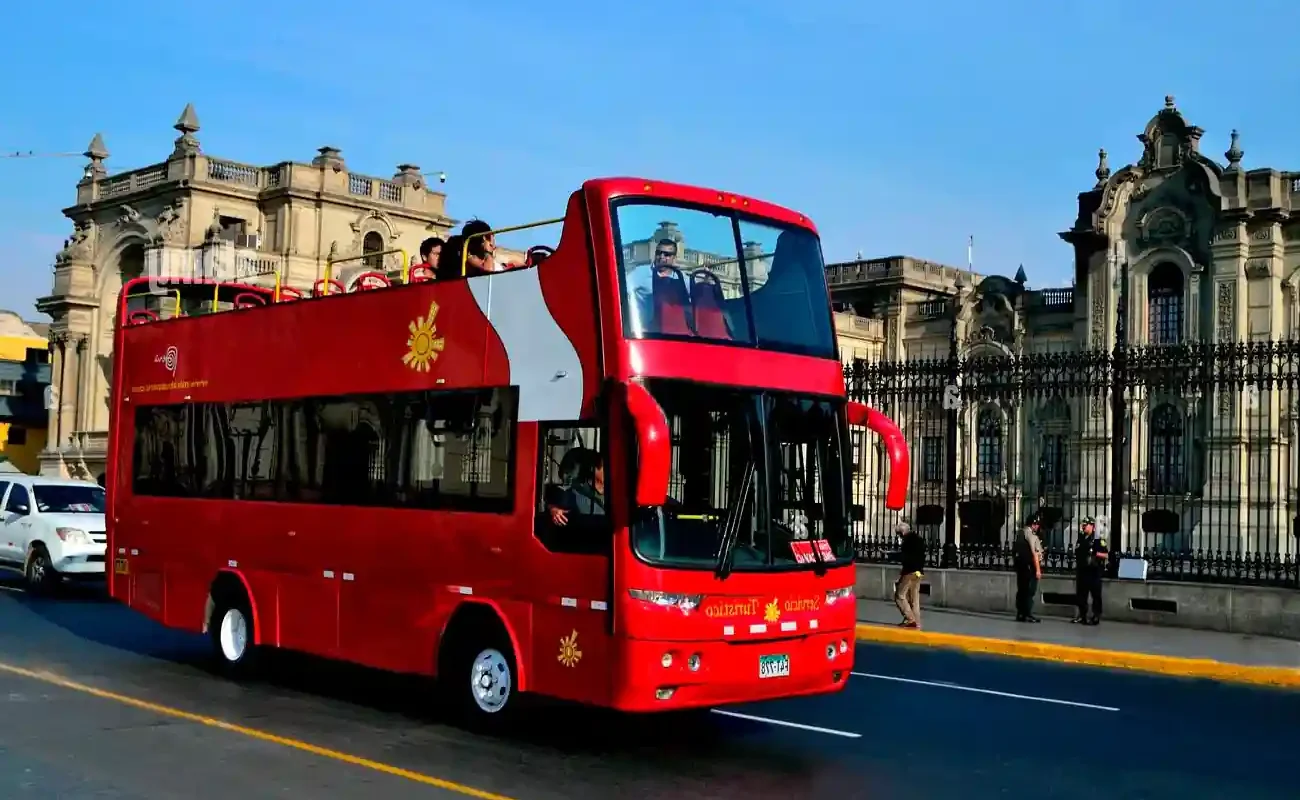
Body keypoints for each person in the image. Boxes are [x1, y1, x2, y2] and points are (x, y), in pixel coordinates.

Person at [625, 238, 687, 333]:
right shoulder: (640, 273)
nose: (661, 257)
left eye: (666, 254)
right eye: (659, 253)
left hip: (671, 333)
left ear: (674, 258)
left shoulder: (681, 278)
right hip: (645, 334)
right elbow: (620, 291)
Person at [1073, 515, 1109, 625]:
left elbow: (1106, 555)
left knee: (1096, 595)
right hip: (1082, 570)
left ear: (1092, 526)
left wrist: (1095, 554)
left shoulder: (1098, 539)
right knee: (1081, 595)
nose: (1083, 527)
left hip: (1094, 571)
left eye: (1086, 525)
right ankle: (1082, 615)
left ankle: (1096, 616)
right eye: (1083, 525)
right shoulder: (1081, 538)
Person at [894, 521, 926, 629]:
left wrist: (892, 556)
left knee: (900, 595)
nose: (899, 536)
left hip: (910, 571)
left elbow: (905, 557)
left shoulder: (907, 541)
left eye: (898, 534)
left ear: (902, 532)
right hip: (919, 572)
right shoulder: (919, 539)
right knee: (914, 599)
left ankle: (909, 619)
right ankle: (917, 622)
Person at [1013, 514, 1044, 623]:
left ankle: (1020, 613)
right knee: (1029, 591)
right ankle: (1027, 614)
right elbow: (1034, 553)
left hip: (1021, 567)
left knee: (1021, 590)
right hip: (1029, 567)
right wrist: (1038, 570)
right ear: (1033, 524)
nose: (1037, 527)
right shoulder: (1031, 535)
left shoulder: (1020, 533)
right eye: (1036, 524)